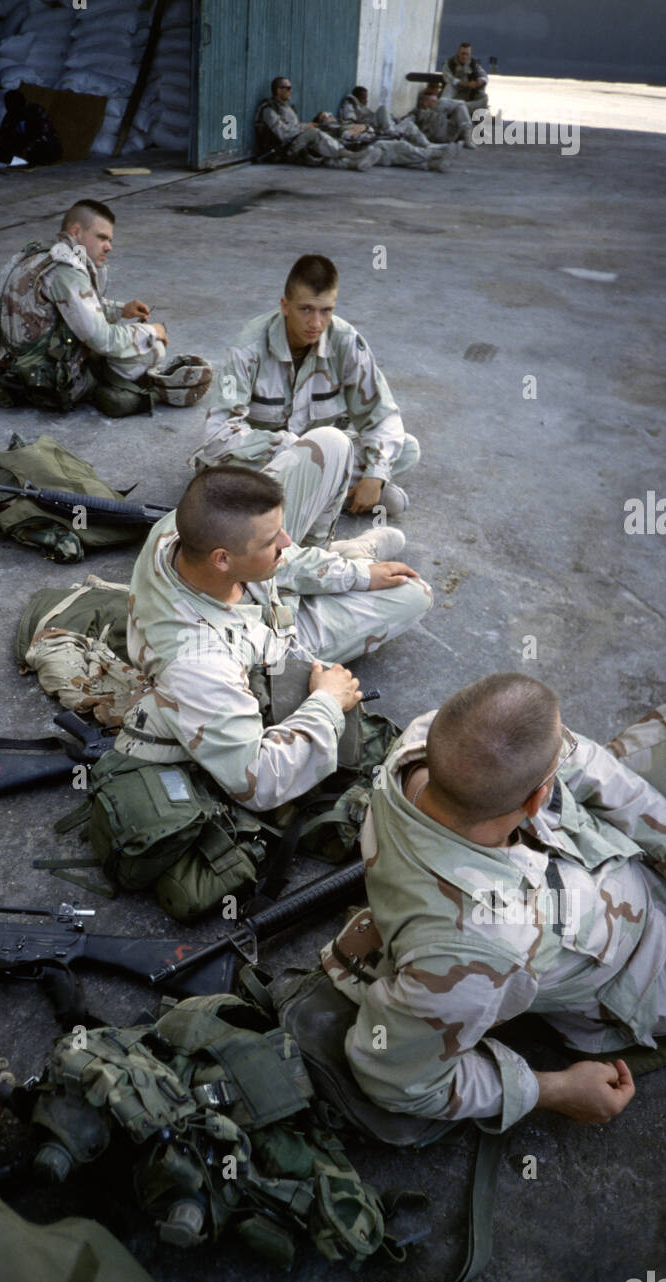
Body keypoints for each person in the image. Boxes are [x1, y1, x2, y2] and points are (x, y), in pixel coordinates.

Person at [318, 674, 666, 1139]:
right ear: (538, 797)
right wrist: (554, 1089)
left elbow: (583, 762)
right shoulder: (473, 956)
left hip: (609, 850)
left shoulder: (432, 740)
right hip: (640, 968)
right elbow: (396, 1079)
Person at [116, 457, 432, 811]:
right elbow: (259, 783)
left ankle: (346, 555)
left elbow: (288, 556)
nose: (287, 540)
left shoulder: (186, 526)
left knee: (331, 444)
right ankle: (343, 555)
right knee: (415, 593)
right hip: (269, 647)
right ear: (222, 560)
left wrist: (358, 574)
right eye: (272, 541)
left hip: (266, 601)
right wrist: (328, 702)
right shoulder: (198, 664)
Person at [191, 254, 419, 522]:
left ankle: (285, 499)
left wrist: (375, 475)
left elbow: (381, 415)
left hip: (316, 456)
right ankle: (330, 495)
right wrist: (298, 448)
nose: (316, 323)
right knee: (219, 469)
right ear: (285, 306)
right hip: (265, 458)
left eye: (326, 310)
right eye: (306, 309)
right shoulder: (248, 348)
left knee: (406, 448)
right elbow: (218, 436)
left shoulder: (345, 341)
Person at [0, 198, 168, 415]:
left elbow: (72, 305)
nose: (109, 247)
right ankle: (102, 389)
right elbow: (104, 340)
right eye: (102, 238)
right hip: (44, 383)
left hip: (11, 368)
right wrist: (152, 331)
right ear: (76, 232)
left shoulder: (41, 255)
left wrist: (122, 310)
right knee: (154, 350)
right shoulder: (67, 271)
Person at [256, 77, 452, 173]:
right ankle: (351, 156)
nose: (290, 90)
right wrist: (308, 127)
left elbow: (299, 127)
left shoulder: (289, 108)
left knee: (386, 149)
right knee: (315, 135)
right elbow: (282, 134)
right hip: (285, 150)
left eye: (290, 87)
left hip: (309, 147)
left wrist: (309, 126)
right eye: (286, 88)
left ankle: (430, 160)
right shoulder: (269, 109)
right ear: (277, 90)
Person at [337, 86, 431, 150]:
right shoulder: (350, 103)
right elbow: (350, 122)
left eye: (366, 98)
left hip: (381, 127)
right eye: (363, 98)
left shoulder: (362, 107)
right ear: (356, 97)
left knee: (409, 125)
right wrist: (365, 125)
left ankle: (427, 144)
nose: (366, 100)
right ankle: (390, 131)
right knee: (382, 108)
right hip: (371, 128)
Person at [0, 90, 62, 167]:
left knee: (44, 150)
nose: (9, 108)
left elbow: (44, 134)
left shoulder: (35, 111)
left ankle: (28, 161)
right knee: (1, 151)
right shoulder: (11, 115)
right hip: (24, 147)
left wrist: (27, 149)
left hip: (44, 145)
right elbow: (2, 134)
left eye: (12, 105)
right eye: (7, 106)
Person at [441, 42, 490, 114]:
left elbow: (484, 76)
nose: (464, 57)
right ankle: (460, 107)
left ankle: (462, 106)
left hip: (469, 92)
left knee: (484, 97)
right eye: (462, 54)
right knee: (445, 96)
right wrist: (464, 84)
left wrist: (479, 81)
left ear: (470, 55)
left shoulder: (474, 64)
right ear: (458, 53)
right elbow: (448, 77)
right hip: (454, 91)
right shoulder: (449, 63)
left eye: (467, 54)